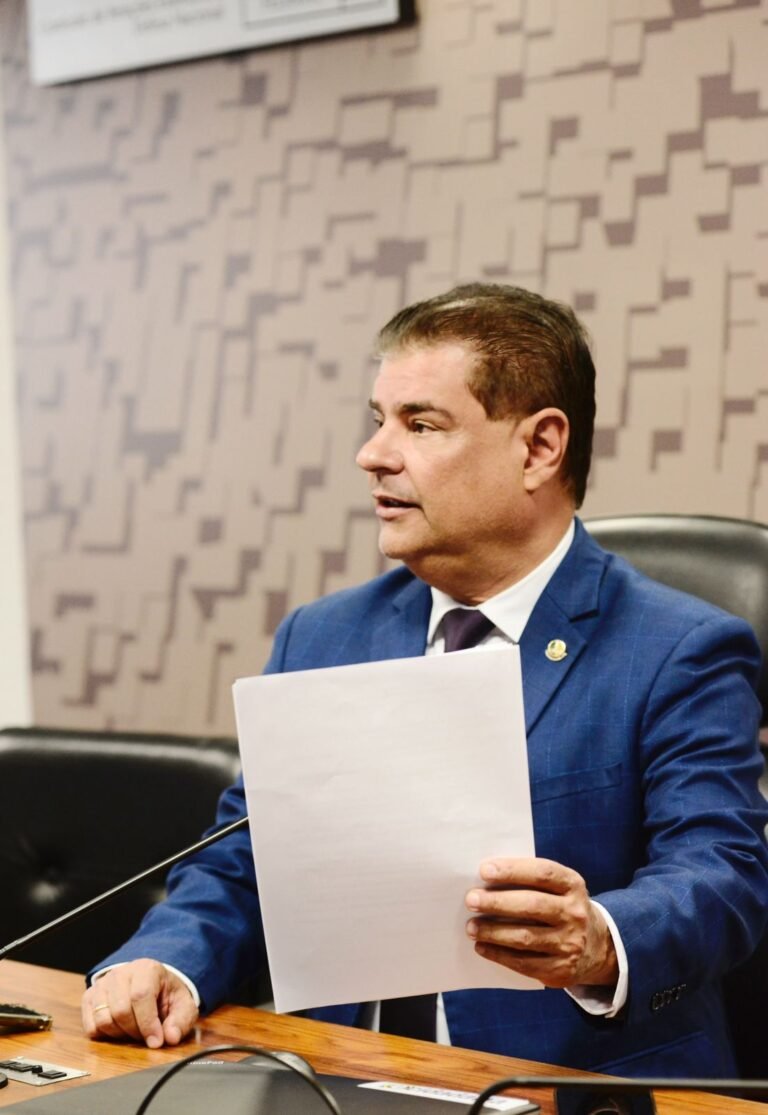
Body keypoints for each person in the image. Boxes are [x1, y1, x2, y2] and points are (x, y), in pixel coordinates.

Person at [81, 283, 768, 1077]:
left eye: (420, 424)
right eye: (378, 419)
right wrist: (166, 961)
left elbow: (721, 873)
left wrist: (600, 940)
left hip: (576, 1085)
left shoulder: (678, 648)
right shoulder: (324, 637)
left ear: (540, 448)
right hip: (338, 1080)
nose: (373, 454)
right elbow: (244, 862)